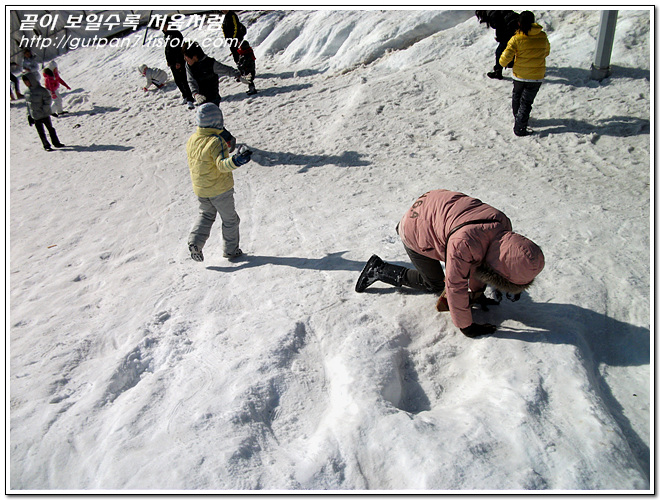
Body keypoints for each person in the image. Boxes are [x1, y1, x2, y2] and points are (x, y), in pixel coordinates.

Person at [355, 189, 545, 338]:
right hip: (414, 227)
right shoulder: (464, 243)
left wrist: (477, 294)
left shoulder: (502, 224)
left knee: (468, 260)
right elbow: (455, 285)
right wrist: (466, 326)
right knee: (435, 283)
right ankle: (379, 270)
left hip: (434, 204)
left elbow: (481, 265)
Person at [186, 103, 253, 262]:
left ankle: (195, 242)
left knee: (206, 215)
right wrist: (237, 160)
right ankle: (231, 251)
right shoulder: (216, 141)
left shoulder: (193, 139)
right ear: (218, 122)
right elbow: (222, 165)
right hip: (220, 190)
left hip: (201, 189)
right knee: (230, 220)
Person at [498, 11, 551, 137]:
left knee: (517, 96)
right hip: (536, 76)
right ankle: (520, 120)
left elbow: (505, 57)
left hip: (519, 75)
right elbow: (546, 52)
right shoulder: (542, 36)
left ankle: (519, 126)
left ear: (519, 23)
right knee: (526, 102)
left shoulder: (517, 38)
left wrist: (502, 63)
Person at [183, 41, 239, 106]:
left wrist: (239, 75)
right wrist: (195, 94)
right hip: (200, 99)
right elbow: (191, 81)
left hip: (214, 99)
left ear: (194, 56)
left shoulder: (210, 63)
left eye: (186, 57)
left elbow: (227, 70)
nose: (184, 59)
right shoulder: (189, 65)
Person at [22, 72, 65, 151]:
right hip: (35, 115)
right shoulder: (26, 92)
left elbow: (48, 100)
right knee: (41, 132)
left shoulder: (42, 90)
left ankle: (56, 142)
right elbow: (28, 105)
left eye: (27, 81)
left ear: (32, 80)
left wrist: (44, 110)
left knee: (50, 129)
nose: (26, 83)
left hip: (44, 114)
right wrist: (29, 115)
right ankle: (46, 145)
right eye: (24, 82)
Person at [475, 10, 519, 80]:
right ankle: (511, 63)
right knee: (513, 49)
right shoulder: (497, 12)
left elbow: (500, 27)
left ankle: (498, 72)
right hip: (517, 31)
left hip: (510, 32)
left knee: (500, 51)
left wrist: (500, 38)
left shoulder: (493, 16)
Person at [162, 19, 194, 109]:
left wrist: (178, 61)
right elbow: (168, 50)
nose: (164, 27)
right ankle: (184, 95)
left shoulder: (176, 34)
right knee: (178, 80)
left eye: (165, 25)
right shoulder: (167, 35)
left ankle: (189, 98)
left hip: (178, 61)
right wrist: (169, 60)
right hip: (172, 62)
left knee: (183, 80)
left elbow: (179, 49)